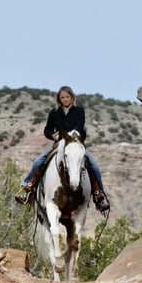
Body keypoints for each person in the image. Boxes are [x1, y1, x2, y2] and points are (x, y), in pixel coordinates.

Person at [14, 85, 110, 213]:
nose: (65, 99)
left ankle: (99, 195)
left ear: (72, 97)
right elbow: (47, 129)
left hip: (75, 144)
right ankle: (28, 188)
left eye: (67, 97)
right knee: (39, 161)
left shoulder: (79, 111)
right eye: (62, 97)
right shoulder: (54, 113)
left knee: (94, 165)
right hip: (59, 145)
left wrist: (72, 134)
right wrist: (52, 135)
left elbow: (79, 126)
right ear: (59, 99)